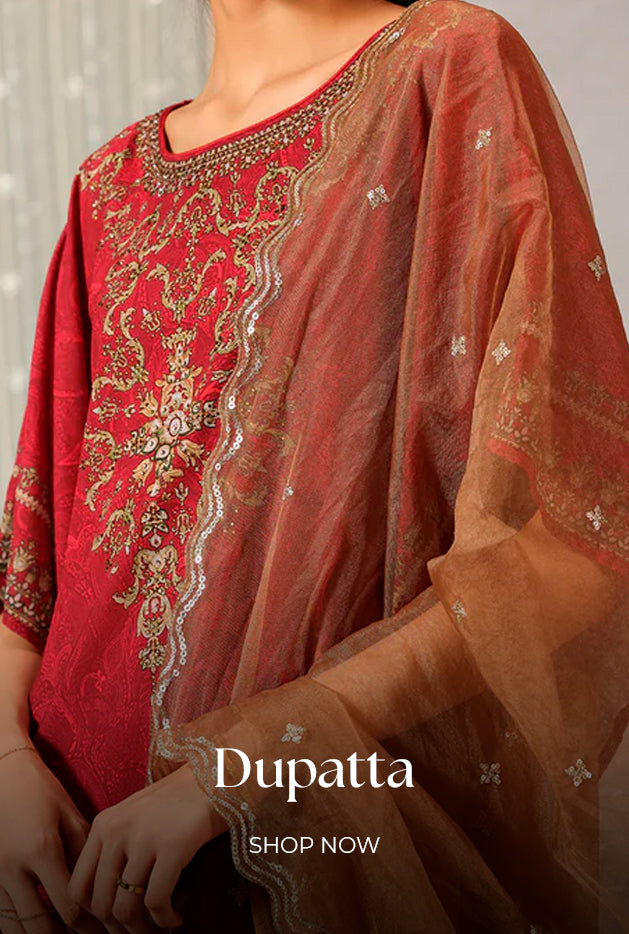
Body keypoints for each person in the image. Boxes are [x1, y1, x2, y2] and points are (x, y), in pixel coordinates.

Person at [1, 0, 628, 931]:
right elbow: (30, 577)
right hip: (63, 858)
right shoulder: (109, 182)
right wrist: (7, 767)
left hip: (300, 843)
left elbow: (579, 537)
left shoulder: (445, 69)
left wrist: (245, 765)